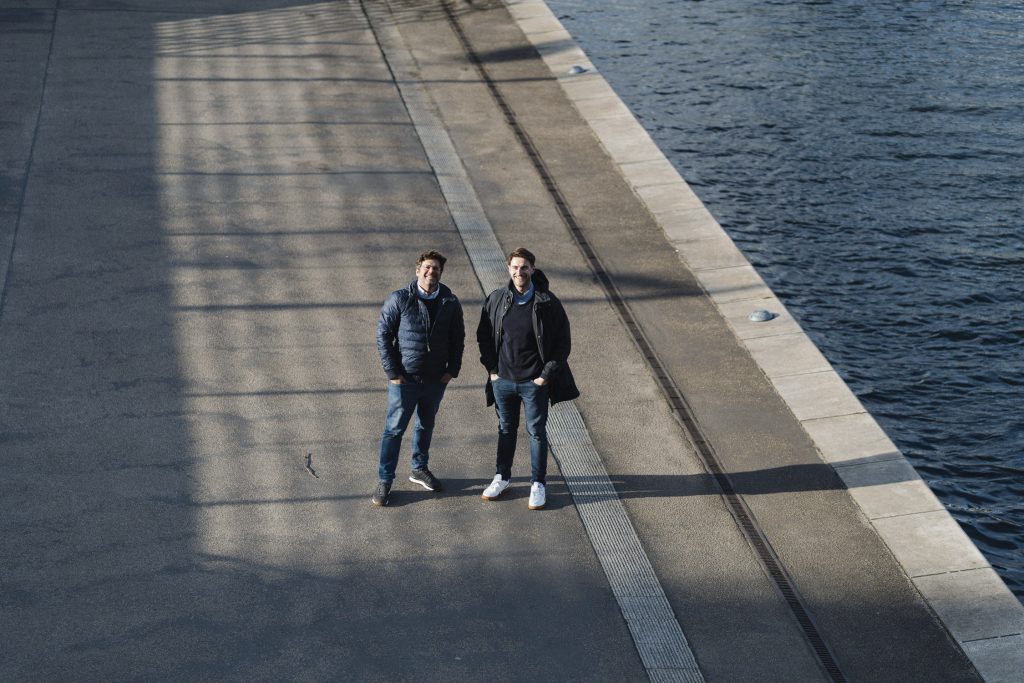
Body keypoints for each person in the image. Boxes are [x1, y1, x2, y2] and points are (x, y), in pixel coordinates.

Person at [476, 248, 579, 510]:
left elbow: (562, 344)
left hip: (534, 383)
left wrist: (544, 377)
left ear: (532, 269)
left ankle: (538, 483)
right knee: (506, 429)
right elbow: (484, 336)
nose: (519, 272)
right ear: (508, 269)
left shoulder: (547, 302)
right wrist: (492, 370)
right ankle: (502, 477)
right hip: (504, 381)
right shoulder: (497, 299)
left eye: (524, 267)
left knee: (536, 433)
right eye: (514, 267)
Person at [373, 250, 465, 507]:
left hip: (435, 380)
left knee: (426, 425)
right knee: (394, 431)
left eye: (435, 269)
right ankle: (385, 481)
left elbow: (458, 338)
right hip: (406, 379)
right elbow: (383, 335)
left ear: (440, 273)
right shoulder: (400, 299)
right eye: (426, 268)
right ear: (417, 271)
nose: (430, 272)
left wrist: (451, 371)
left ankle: (419, 468)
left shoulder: (450, 301)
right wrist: (393, 373)